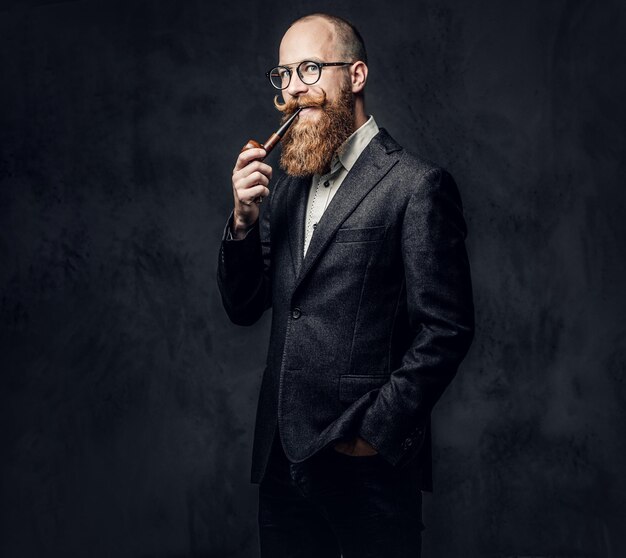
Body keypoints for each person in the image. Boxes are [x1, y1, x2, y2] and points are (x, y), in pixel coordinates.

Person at [217, 12, 474, 558]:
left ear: (355, 76)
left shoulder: (415, 186)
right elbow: (245, 308)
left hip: (368, 473)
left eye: (309, 68)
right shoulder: (284, 188)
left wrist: (375, 435)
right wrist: (242, 221)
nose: (293, 90)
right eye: (283, 75)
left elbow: (446, 329)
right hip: (282, 464)